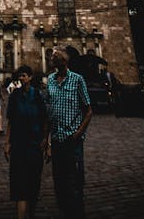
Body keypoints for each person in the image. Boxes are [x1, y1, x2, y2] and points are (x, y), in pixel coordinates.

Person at [46, 47, 92, 219]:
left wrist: (78, 133)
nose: (52, 62)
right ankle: (65, 208)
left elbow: (88, 110)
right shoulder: (50, 80)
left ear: (63, 62)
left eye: (54, 59)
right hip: (57, 138)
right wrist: (46, 138)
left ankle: (77, 210)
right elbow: (48, 110)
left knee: (75, 178)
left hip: (73, 139)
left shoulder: (77, 80)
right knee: (59, 177)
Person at [4, 65, 47, 219]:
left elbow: (45, 119)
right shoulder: (14, 95)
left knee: (34, 180)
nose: (21, 78)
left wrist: (45, 141)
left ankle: (32, 210)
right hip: (18, 144)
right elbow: (10, 120)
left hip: (34, 145)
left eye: (23, 76)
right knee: (19, 180)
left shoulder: (38, 95)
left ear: (30, 77)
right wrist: (7, 142)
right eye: (20, 76)